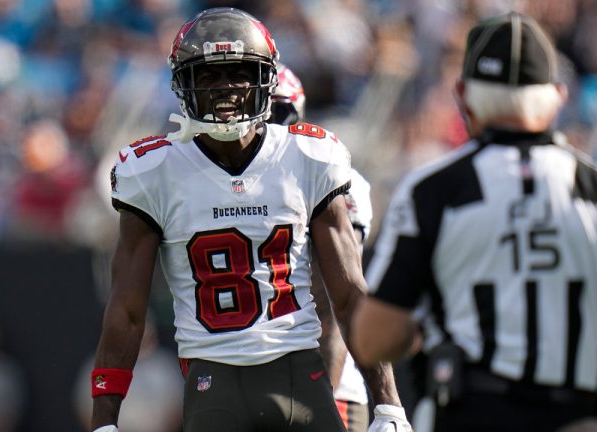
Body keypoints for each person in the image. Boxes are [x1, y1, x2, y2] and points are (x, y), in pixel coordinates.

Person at [90, 7, 405, 432]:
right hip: (212, 379)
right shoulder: (154, 170)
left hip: (301, 375)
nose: (225, 89)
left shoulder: (310, 156)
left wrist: (388, 404)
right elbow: (128, 310)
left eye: (238, 73)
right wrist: (104, 420)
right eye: (209, 76)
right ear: (184, 84)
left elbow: (347, 296)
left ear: (266, 80)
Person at [350, 11, 597, 432]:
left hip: (469, 414)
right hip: (575, 417)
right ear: (559, 96)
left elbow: (372, 338)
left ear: (463, 95)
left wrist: (422, 330)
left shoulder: (434, 190)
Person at [269, 62, 410, 432]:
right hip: (244, 384)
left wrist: (322, 405)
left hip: (320, 386)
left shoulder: (324, 178)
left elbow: (334, 303)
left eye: (272, 115)